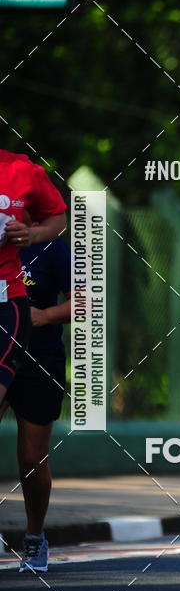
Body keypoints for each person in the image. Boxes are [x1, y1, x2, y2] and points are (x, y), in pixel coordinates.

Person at [2, 239, 71, 573]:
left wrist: (43, 316)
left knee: (32, 459)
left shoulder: (54, 249)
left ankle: (34, 537)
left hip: (38, 360)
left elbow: (88, 301)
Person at [0, 148, 66, 410]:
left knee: (31, 453)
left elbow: (58, 219)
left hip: (7, 303)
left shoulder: (22, 169)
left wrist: (30, 235)